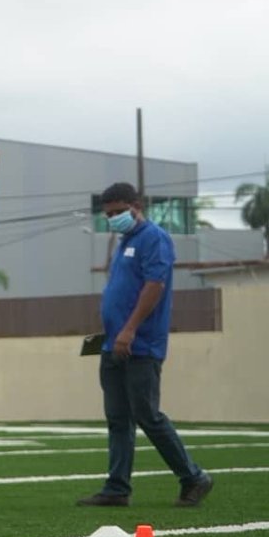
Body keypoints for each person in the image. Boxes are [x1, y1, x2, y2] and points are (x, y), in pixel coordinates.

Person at [77, 182, 212, 509]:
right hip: (113, 345)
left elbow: (155, 285)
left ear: (137, 206)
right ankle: (117, 487)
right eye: (108, 214)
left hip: (140, 345)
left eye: (119, 212)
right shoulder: (124, 241)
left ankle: (193, 476)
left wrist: (130, 329)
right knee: (118, 418)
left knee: (147, 415)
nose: (113, 218)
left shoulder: (154, 238)